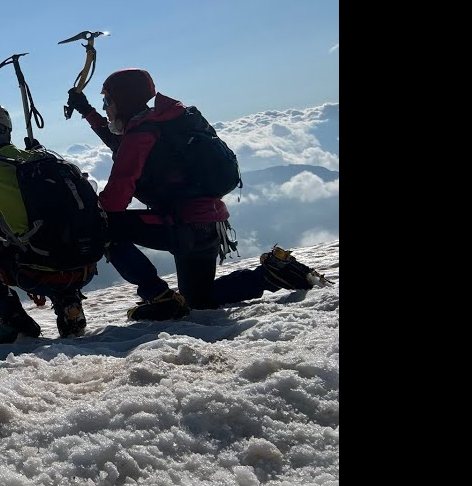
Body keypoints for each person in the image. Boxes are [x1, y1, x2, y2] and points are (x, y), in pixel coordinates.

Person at [65, 68, 328, 319]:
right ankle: (273, 273)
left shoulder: (140, 136)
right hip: (207, 223)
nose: (105, 108)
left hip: (183, 225)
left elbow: (115, 200)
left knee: (104, 227)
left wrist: (81, 214)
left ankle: (158, 296)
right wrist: (87, 111)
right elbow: (121, 143)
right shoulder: (163, 122)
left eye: (108, 101)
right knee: (199, 297)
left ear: (124, 101)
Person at [0, 104, 104, 343]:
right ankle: (69, 301)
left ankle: (13, 319)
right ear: (9, 132)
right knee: (46, 235)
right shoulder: (43, 158)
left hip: (35, 271)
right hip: (84, 265)